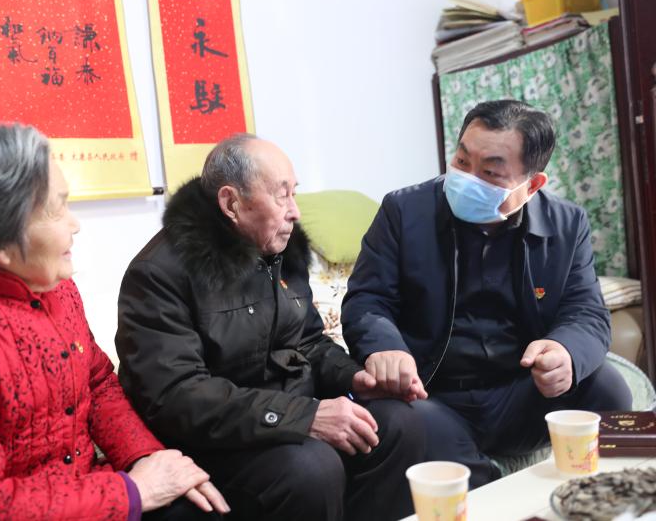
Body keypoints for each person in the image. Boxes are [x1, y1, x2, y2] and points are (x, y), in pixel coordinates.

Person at [0, 124, 228, 520]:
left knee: (199, 506)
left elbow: (97, 383)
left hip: (77, 489)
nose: (75, 224)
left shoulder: (50, 283)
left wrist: (146, 458)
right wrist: (132, 490)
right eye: (57, 209)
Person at [116, 133, 424, 521]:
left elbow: (308, 342)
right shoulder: (158, 274)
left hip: (284, 415)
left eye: (295, 193)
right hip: (215, 441)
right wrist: (305, 417)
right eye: (282, 196)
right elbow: (178, 397)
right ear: (231, 203)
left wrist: (355, 378)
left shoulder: (279, 249)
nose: (295, 211)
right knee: (311, 469)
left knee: (399, 423)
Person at [341, 100, 633, 488]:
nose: (467, 179)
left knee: (609, 388)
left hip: (522, 391)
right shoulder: (403, 210)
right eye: (462, 161)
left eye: (491, 173)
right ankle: (493, 489)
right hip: (433, 395)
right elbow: (367, 299)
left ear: (533, 185)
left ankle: (606, 498)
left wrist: (566, 352)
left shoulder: (567, 223)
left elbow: (585, 311)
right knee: (403, 422)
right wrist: (386, 349)